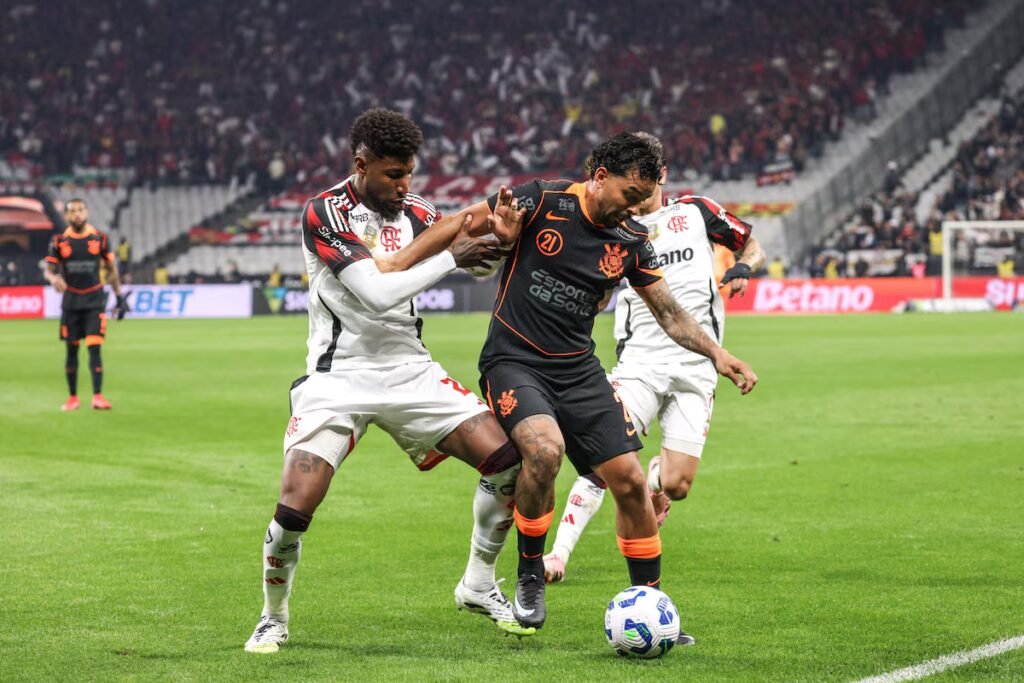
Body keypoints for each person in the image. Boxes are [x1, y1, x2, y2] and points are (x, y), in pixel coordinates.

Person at [244, 108, 530, 654]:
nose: (405, 186)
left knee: (507, 462)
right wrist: (452, 258)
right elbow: (376, 292)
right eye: (393, 174)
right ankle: (272, 617)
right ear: (362, 164)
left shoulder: (418, 211)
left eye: (409, 174)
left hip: (410, 370)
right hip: (338, 378)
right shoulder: (325, 212)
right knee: (294, 508)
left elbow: (472, 262)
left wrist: (496, 244)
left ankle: (477, 583)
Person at [455, 132, 757, 632]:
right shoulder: (542, 198)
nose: (637, 208)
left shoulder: (631, 240)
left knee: (632, 482)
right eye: (631, 196)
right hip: (514, 362)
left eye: (644, 199)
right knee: (545, 451)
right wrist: (493, 242)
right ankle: (530, 570)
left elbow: (670, 314)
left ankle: (652, 604)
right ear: (600, 177)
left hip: (577, 370)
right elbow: (471, 242)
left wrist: (718, 354)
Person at [541, 138, 765, 627]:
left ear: (660, 174)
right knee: (605, 459)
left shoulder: (698, 211)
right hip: (641, 359)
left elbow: (749, 240)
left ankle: (656, 481)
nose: (636, 189)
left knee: (679, 486)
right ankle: (557, 555)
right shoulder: (616, 225)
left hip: (697, 364)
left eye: (645, 176)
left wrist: (743, 266)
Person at [43, 199, 129, 411]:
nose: (77, 215)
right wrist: (53, 279)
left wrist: (119, 297)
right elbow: (49, 270)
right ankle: (73, 398)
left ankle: (97, 396)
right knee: (71, 350)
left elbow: (111, 269)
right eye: (72, 211)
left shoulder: (100, 239)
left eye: (81, 210)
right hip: (71, 302)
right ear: (66, 216)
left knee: (94, 347)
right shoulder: (59, 241)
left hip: (94, 300)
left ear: (87, 212)